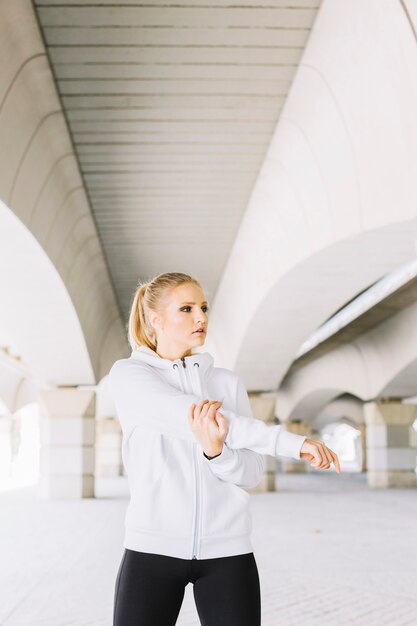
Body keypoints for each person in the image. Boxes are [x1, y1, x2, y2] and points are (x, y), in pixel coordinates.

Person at [108, 272, 341, 626]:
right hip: (151, 548)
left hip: (228, 552)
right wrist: (295, 443)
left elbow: (251, 472)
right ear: (155, 319)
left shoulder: (226, 383)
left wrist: (218, 454)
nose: (200, 317)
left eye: (203, 307)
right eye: (186, 309)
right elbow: (200, 419)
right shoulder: (130, 376)